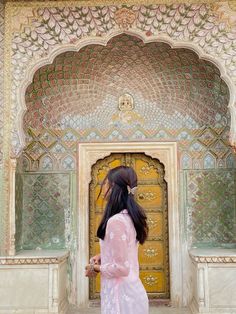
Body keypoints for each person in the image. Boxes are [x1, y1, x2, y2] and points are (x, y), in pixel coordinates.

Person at [85, 166, 149, 314]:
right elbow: (125, 252)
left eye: (106, 183)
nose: (104, 187)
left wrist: (95, 268)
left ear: (113, 187)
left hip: (121, 298)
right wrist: (103, 257)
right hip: (129, 293)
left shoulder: (116, 221)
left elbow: (121, 268)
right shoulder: (129, 216)